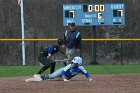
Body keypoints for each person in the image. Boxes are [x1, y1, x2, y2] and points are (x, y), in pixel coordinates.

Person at [25, 56, 93, 82]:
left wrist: (89, 78)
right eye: (73, 62)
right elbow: (63, 72)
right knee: (53, 76)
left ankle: (57, 79)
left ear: (79, 64)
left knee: (58, 80)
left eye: (75, 63)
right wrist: (64, 79)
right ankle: (40, 77)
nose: (73, 63)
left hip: (67, 76)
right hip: (62, 71)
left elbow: (86, 73)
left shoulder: (80, 68)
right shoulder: (69, 66)